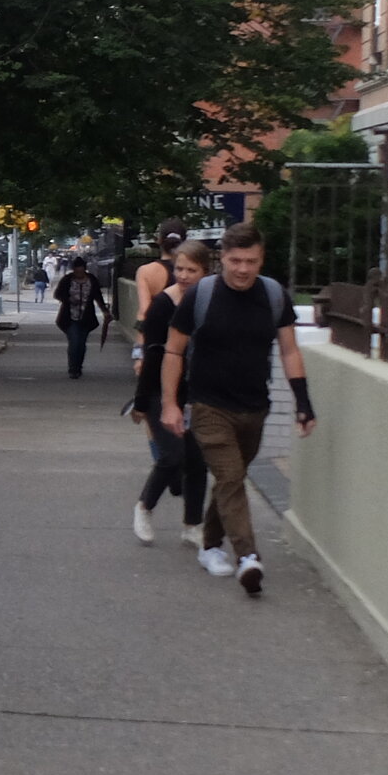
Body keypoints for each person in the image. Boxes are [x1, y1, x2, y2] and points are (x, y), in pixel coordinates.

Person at [160, 222, 317, 595]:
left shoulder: (274, 295)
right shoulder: (201, 295)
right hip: (208, 405)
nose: (243, 269)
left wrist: (303, 403)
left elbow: (290, 350)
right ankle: (248, 557)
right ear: (222, 260)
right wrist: (169, 404)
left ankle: (211, 546)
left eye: (251, 261)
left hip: (254, 408)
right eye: (235, 261)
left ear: (261, 259)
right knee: (231, 479)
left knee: (230, 481)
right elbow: (173, 351)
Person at [128, 239, 210, 546]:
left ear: (206, 272)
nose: (184, 275)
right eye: (179, 268)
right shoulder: (164, 304)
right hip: (158, 391)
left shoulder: (209, 302)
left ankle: (192, 525)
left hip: (196, 393)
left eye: (192, 270)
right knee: (172, 456)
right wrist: (140, 402)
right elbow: (152, 356)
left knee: (197, 461)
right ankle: (144, 506)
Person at [131, 222, 187, 363]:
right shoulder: (193, 272)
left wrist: (139, 351)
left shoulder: (146, 271)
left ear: (159, 241)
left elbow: (144, 311)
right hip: (184, 334)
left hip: (156, 337)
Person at [53, 254, 107, 378]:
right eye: (77, 269)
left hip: (86, 318)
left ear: (84, 268)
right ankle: (73, 368)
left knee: (81, 343)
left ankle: (78, 366)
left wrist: (105, 310)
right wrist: (69, 300)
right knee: (74, 341)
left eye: (81, 269)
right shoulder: (67, 280)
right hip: (70, 317)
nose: (79, 272)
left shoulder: (91, 280)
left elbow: (98, 296)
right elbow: (58, 294)